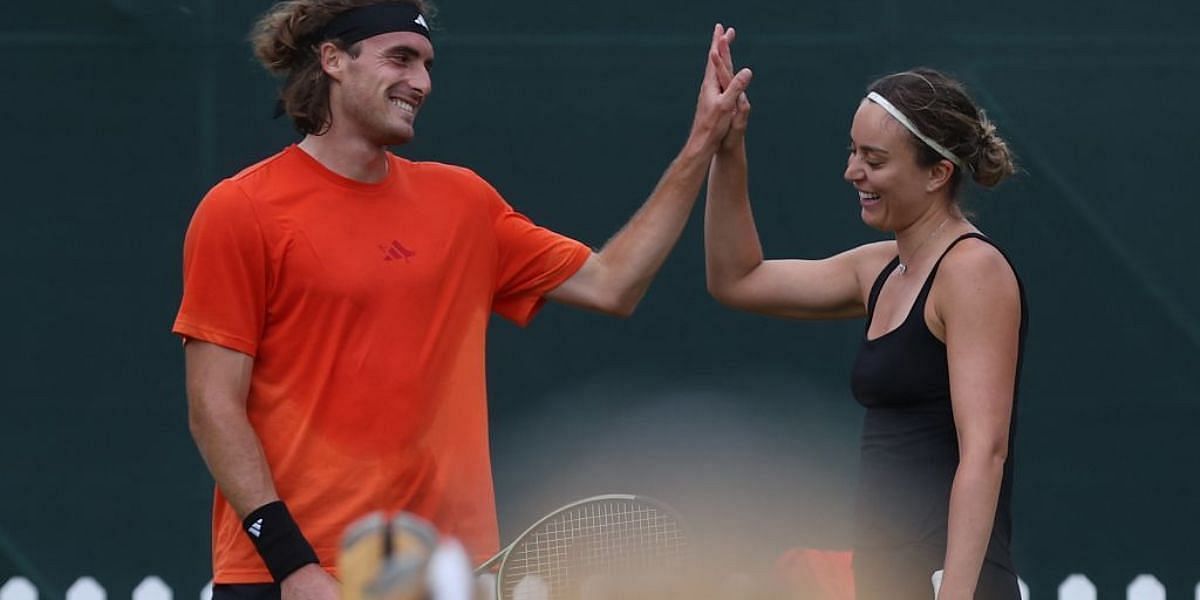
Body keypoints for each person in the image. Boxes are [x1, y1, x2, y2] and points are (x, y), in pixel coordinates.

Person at [172, 1, 752, 598]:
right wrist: (293, 565)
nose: (420, 82)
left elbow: (614, 283)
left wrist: (702, 142)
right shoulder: (240, 211)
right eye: (400, 58)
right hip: (291, 575)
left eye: (426, 63)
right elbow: (214, 406)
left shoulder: (463, 203)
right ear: (332, 61)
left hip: (444, 576)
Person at [703, 40, 1025, 600]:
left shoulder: (973, 273)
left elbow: (985, 452)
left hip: (948, 582)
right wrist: (727, 148)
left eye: (875, 160)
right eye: (853, 152)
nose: (853, 171)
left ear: (937, 173)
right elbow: (736, 278)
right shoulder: (880, 270)